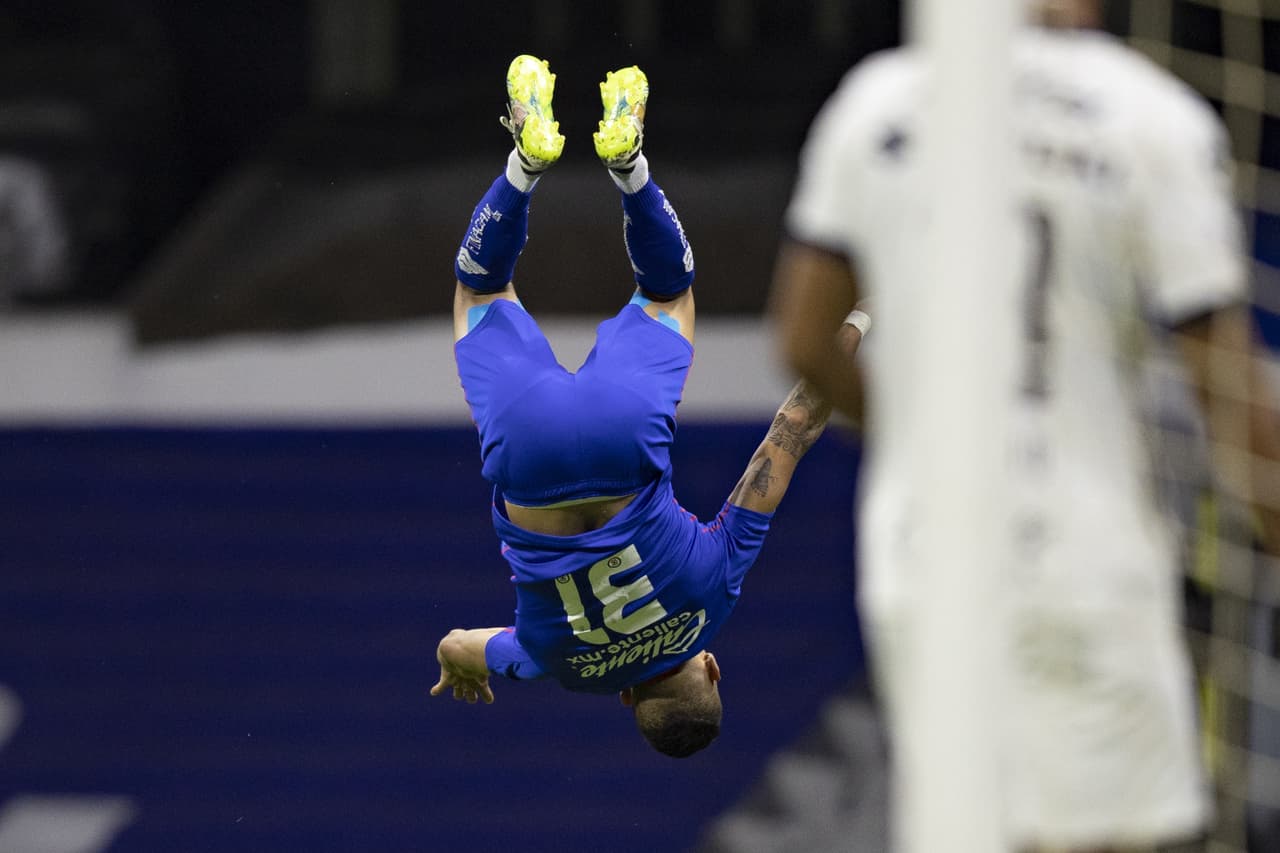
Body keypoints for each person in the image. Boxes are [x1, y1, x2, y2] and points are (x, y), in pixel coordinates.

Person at [771, 0, 1280, 850]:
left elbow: (802, 335)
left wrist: (927, 431)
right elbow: (1227, 389)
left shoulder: (877, 105)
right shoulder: (1146, 115)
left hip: (921, 561)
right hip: (1089, 561)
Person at [429, 55, 866, 758]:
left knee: (667, 294)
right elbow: (459, 644)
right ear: (628, 696)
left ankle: (628, 163)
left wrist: (851, 328)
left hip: (621, 441)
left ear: (712, 666)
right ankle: (524, 163)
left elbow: (784, 442)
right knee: (479, 291)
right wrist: (457, 661)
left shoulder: (714, 597)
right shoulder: (564, 667)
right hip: (530, 460)